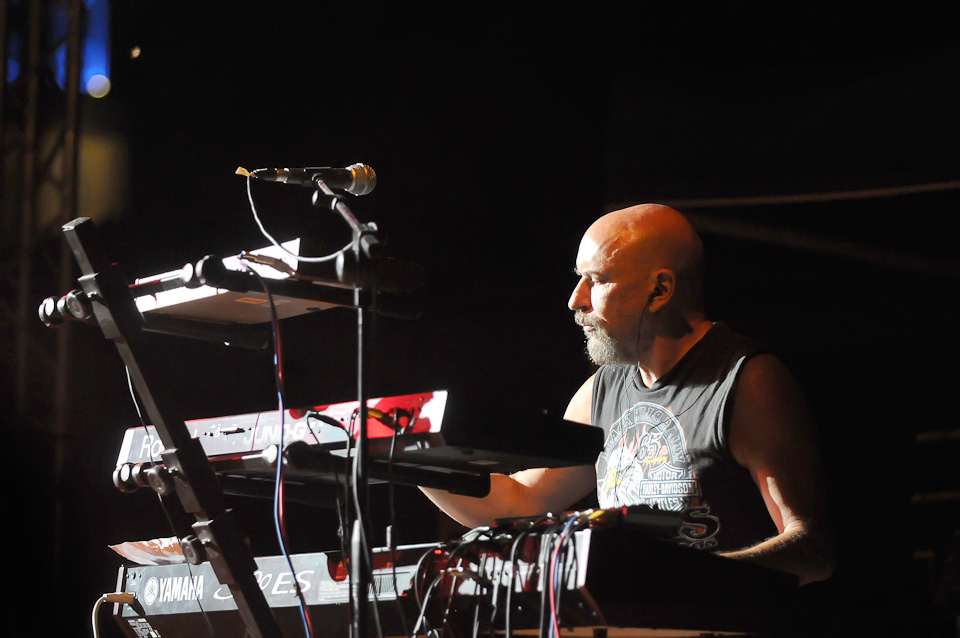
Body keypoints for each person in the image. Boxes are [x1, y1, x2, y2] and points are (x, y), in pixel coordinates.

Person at [422, 204, 834, 585]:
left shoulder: (747, 380)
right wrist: (414, 459)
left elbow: (810, 549)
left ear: (661, 290)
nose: (575, 299)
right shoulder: (603, 390)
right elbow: (521, 500)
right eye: (579, 278)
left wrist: (687, 585)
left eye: (597, 280)